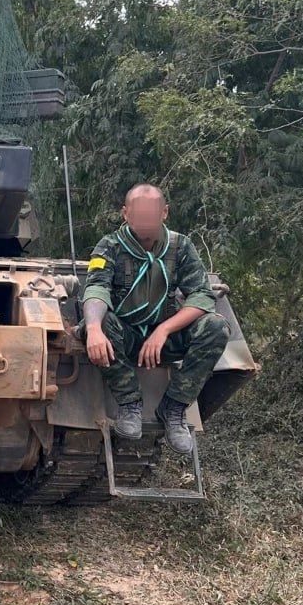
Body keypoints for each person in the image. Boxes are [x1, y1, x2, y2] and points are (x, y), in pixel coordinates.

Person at [81, 184, 229, 453]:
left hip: (165, 339)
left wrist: (163, 330)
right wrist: (93, 329)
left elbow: (201, 296)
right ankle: (129, 403)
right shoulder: (110, 246)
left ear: (164, 213)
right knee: (99, 323)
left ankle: (174, 407)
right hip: (123, 338)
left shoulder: (180, 246)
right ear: (126, 214)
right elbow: (96, 287)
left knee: (216, 326)